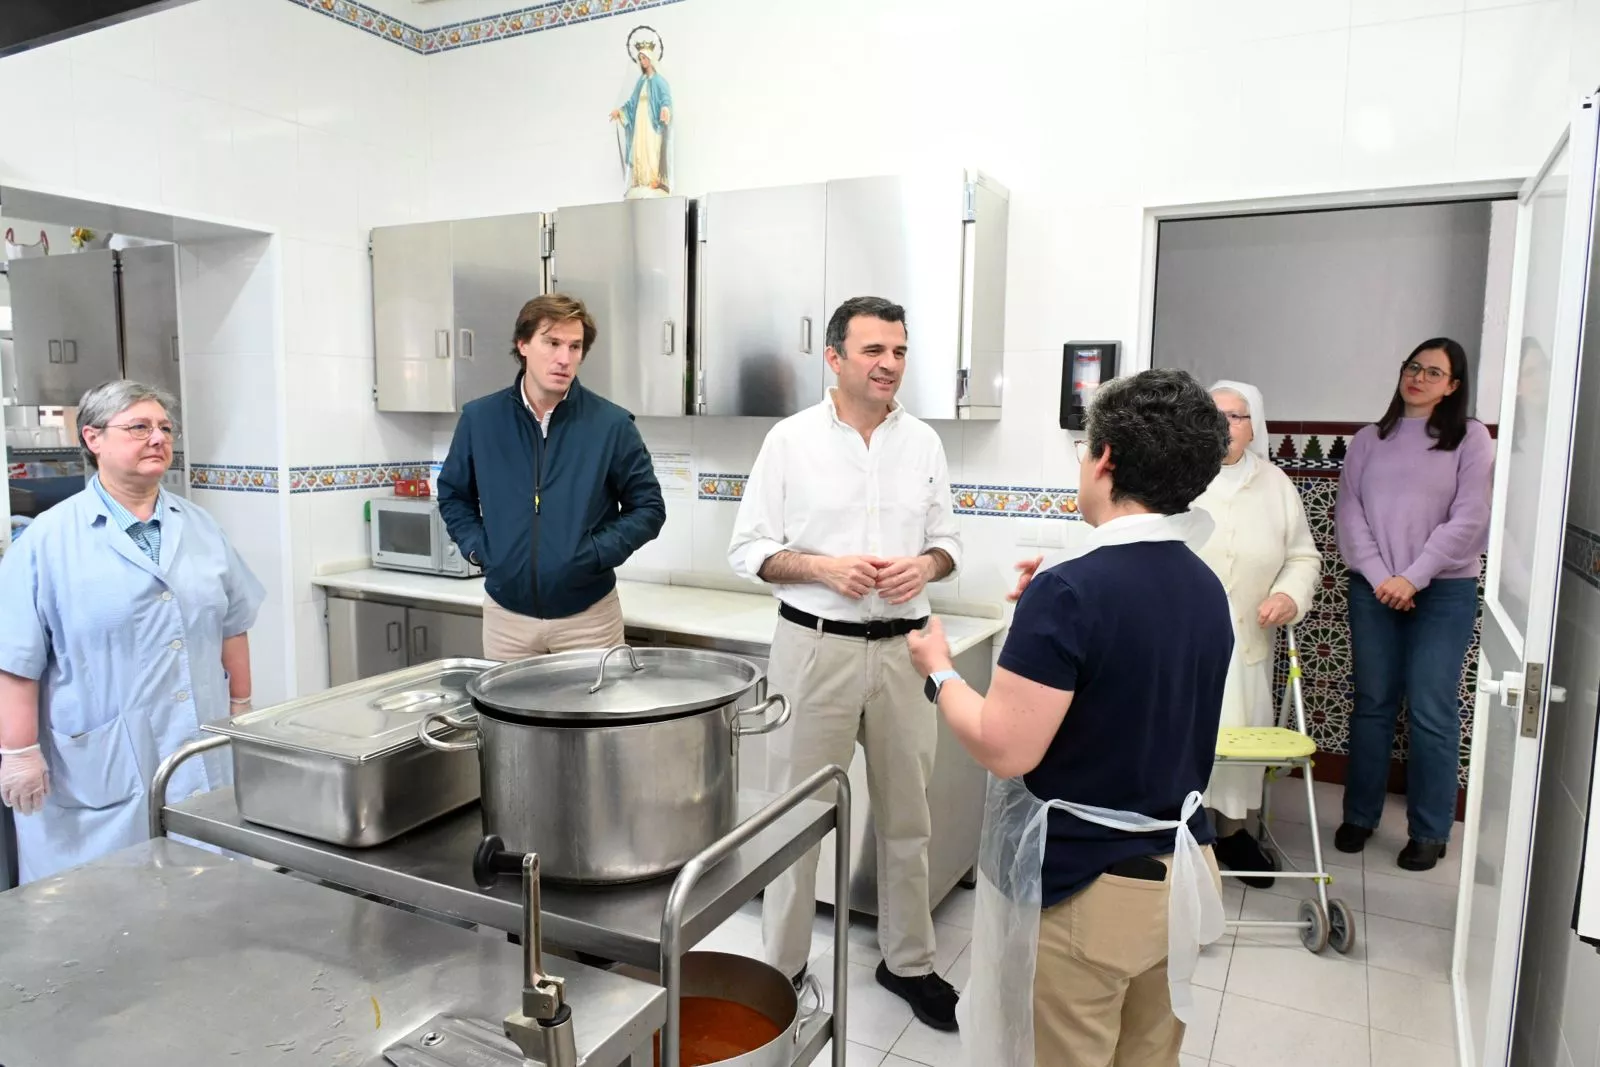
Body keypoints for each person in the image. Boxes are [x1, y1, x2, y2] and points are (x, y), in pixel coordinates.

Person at [908, 368, 1232, 1066]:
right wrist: (1045, 612)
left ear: (1107, 458)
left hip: (1092, 892)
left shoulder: (1074, 591)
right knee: (1148, 1055)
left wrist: (937, 671)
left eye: (1086, 449)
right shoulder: (1204, 584)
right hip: (1179, 876)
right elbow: (1129, 676)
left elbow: (1005, 746)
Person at [728, 295, 963, 1032]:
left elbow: (950, 544)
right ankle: (783, 968)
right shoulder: (790, 441)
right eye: (873, 351)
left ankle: (908, 960)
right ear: (834, 358)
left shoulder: (923, 441)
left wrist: (923, 564)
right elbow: (749, 550)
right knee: (795, 817)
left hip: (904, 651)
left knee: (907, 815)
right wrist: (825, 570)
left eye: (898, 350)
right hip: (814, 648)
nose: (890, 363)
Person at [0, 380, 264, 884]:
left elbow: (234, 624)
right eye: (139, 427)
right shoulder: (46, 542)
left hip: (199, 745)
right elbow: (15, 660)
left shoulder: (202, 528)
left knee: (209, 895)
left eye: (165, 428)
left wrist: (242, 710)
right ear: (93, 438)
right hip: (97, 762)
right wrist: (19, 752)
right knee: (100, 909)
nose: (158, 438)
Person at [1334, 337, 1493, 872]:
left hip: (1443, 591)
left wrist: (1413, 577)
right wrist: (1384, 578)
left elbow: (1470, 519)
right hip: (1375, 588)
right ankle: (1360, 816)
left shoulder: (1470, 440)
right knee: (1373, 703)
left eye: (1433, 372)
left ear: (1453, 386)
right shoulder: (1367, 440)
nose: (1418, 378)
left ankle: (1429, 830)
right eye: (1412, 367)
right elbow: (1350, 517)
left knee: (1431, 708)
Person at [438, 294, 666, 660]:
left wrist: (593, 553)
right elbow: (453, 495)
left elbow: (649, 508)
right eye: (552, 342)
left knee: (594, 720)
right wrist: (480, 549)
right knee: (509, 718)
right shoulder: (480, 420)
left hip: (589, 620)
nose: (564, 358)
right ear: (523, 344)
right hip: (506, 620)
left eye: (575, 347)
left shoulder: (611, 425)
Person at [1191, 380, 1320, 886]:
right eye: (1215, 414)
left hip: (1249, 638)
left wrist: (1289, 594)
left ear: (1254, 425)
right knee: (1190, 737)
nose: (1226, 425)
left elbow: (1302, 556)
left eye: (1238, 416)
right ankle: (1186, 832)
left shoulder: (1275, 484)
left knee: (1240, 739)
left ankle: (1234, 831)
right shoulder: (1179, 477)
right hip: (1185, 644)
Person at [609, 37, 673, 197]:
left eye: (644, 58)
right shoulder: (641, 81)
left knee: (651, 149)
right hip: (640, 122)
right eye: (640, 58)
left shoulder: (659, 81)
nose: (642, 61)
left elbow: (665, 97)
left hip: (652, 124)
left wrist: (665, 108)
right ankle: (640, 180)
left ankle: (652, 180)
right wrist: (621, 112)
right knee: (639, 149)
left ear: (651, 59)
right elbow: (632, 102)